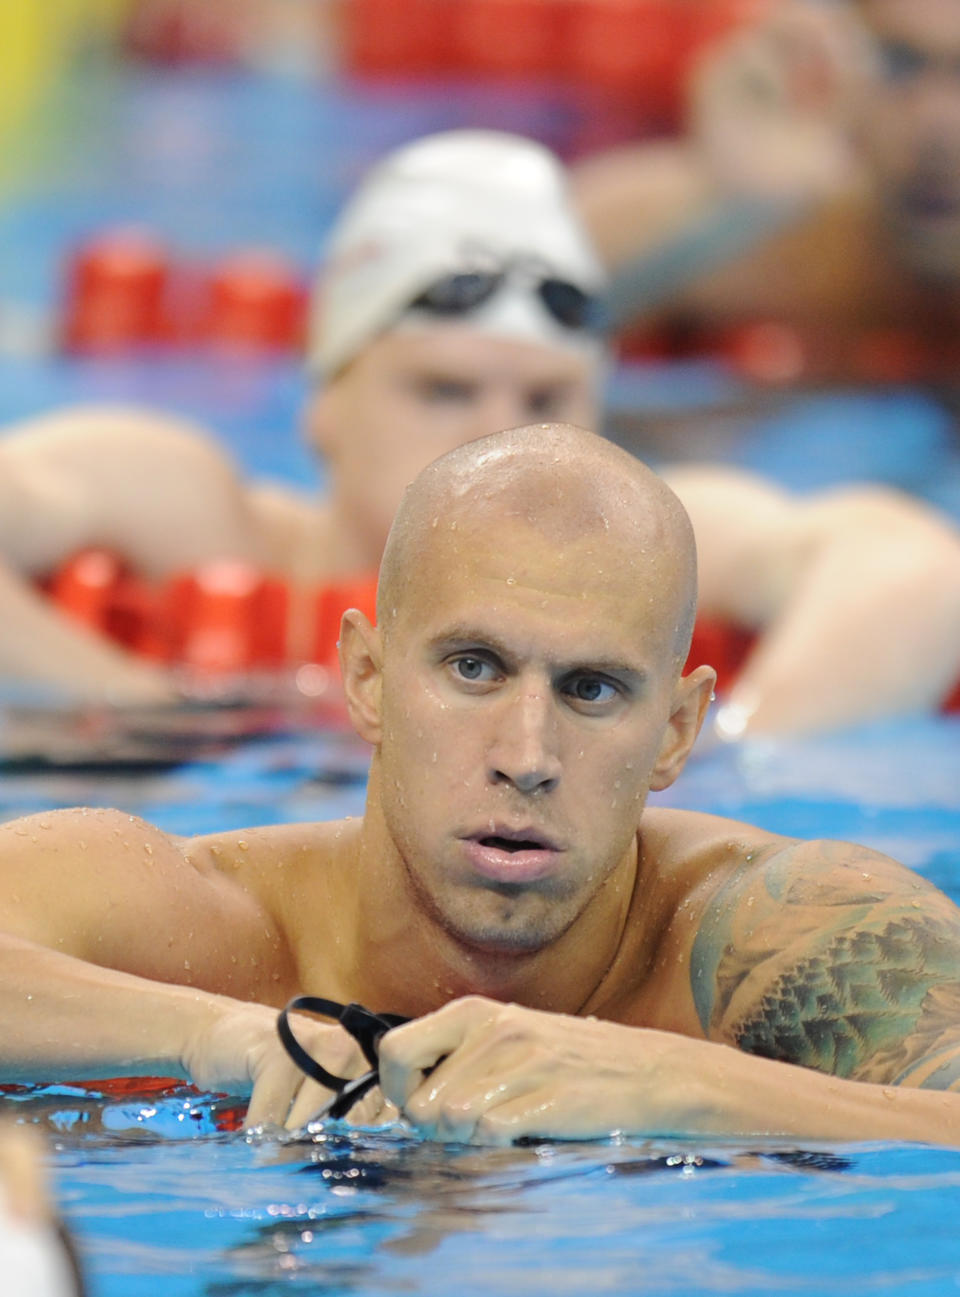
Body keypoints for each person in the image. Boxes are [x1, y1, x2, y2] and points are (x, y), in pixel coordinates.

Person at [1, 423, 959, 1145]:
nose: (528, 752)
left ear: (675, 732)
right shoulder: (193, 924)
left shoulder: (770, 932)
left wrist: (676, 1086)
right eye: (473, 668)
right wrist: (218, 1036)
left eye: (591, 689)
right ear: (367, 678)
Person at [1, 129, 958, 734]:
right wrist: (144, 710)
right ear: (325, 397)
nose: (502, 441)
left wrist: (731, 766)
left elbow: (913, 573)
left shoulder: (655, 542)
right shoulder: (192, 509)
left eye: (545, 400)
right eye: (446, 388)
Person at [571, 0, 960, 367]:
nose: (937, 124)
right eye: (899, 64)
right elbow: (542, 265)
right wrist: (742, 199)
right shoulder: (823, 228)